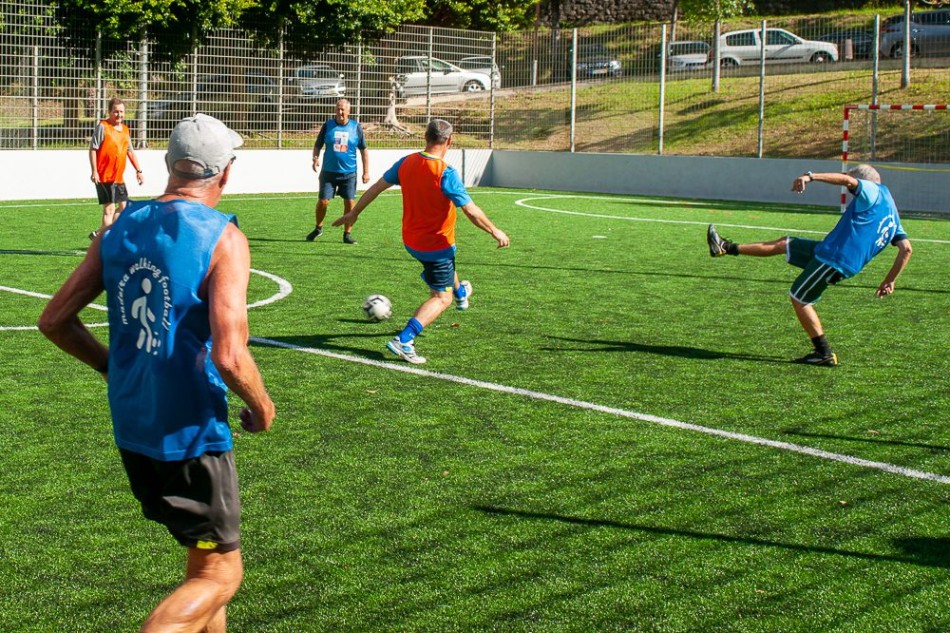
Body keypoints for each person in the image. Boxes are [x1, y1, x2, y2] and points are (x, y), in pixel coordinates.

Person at [39, 113, 276, 632]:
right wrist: (263, 407)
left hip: (133, 424)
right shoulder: (223, 237)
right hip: (189, 432)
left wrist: (111, 367)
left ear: (169, 167)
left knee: (203, 561)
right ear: (225, 173)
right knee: (219, 574)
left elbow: (54, 321)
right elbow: (230, 356)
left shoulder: (118, 228)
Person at [333, 118, 510, 364]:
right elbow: (470, 210)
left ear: (425, 137)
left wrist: (354, 212)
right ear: (450, 141)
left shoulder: (406, 162)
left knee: (447, 269)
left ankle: (460, 292)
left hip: (411, 240)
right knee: (440, 297)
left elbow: (376, 188)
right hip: (436, 245)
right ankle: (404, 340)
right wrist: (495, 230)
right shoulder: (445, 173)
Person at [706, 164, 913, 366]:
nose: (851, 192)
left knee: (799, 298)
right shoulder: (893, 214)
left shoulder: (872, 190)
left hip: (834, 259)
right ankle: (724, 247)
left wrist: (810, 176)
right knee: (784, 244)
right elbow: (906, 249)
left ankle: (824, 352)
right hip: (828, 251)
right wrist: (890, 280)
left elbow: (848, 180)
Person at [306, 98, 370, 244]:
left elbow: (364, 150)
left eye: (342, 109)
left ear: (349, 111)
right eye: (337, 109)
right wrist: (315, 158)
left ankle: (347, 233)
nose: (339, 112)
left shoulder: (355, 127)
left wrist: (366, 172)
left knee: (349, 203)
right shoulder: (328, 126)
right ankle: (318, 228)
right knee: (323, 202)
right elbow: (318, 145)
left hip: (349, 173)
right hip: (328, 172)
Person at [88, 97, 144, 240]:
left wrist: (138, 170)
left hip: (118, 177)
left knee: (124, 209)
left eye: (121, 112)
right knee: (109, 209)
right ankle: (105, 241)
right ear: (109, 112)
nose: (119, 115)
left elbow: (130, 152)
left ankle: (101, 234)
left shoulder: (125, 130)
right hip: (104, 176)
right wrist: (94, 170)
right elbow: (93, 149)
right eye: (116, 112)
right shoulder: (103, 127)